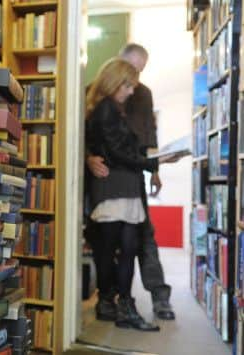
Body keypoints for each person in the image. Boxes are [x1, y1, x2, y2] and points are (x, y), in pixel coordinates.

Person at [87, 43, 176, 321]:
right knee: (104, 240)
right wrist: (89, 158)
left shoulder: (143, 93)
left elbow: (149, 133)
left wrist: (155, 169)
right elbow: (85, 134)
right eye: (133, 70)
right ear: (119, 65)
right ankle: (110, 298)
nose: (136, 80)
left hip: (134, 173)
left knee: (142, 237)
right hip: (108, 177)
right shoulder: (96, 95)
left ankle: (158, 297)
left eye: (141, 71)